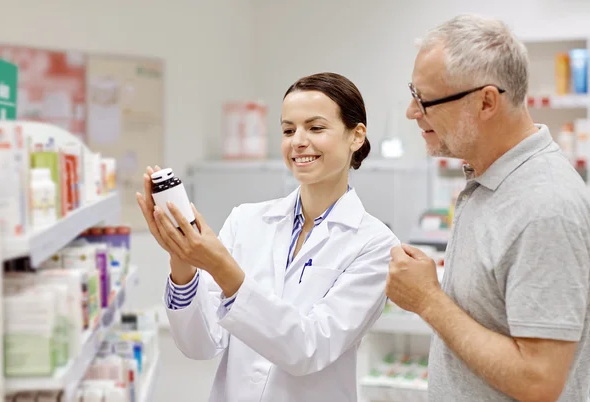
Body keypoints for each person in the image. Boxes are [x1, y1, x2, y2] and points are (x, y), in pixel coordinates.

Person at [137, 72, 399, 402]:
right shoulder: (246, 220)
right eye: (288, 130)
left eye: (315, 128)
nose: (298, 141)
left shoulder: (375, 245)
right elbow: (200, 344)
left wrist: (222, 268)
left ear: (356, 136)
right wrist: (182, 259)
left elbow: (308, 349)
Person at [384, 14, 590, 402]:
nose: (413, 112)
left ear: (486, 102)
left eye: (424, 100)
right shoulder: (490, 180)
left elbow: (539, 381)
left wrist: (428, 300)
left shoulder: (544, 206)